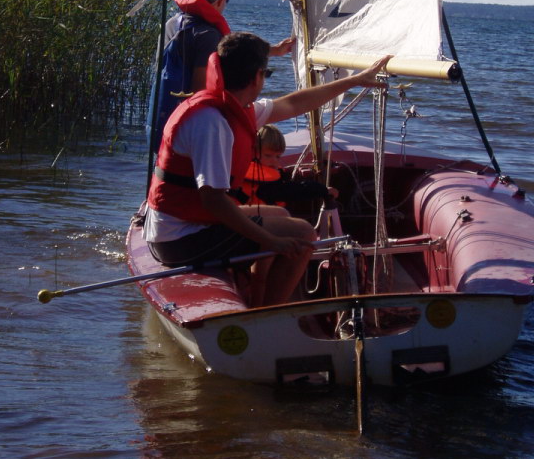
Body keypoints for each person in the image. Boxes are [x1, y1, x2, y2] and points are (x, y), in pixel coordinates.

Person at [145, 31, 391, 307]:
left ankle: (256, 293)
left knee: (281, 214)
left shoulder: (230, 106)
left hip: (188, 223)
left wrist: (355, 80)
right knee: (302, 235)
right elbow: (212, 200)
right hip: (178, 238)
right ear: (257, 76)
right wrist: (272, 241)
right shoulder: (212, 122)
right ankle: (269, 314)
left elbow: (294, 103)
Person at [153, 0, 294, 148]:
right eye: (226, 0)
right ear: (220, 0)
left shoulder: (172, 23)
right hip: (187, 132)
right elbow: (199, 91)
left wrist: (274, 50)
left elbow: (235, 51)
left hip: (161, 120)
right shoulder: (207, 35)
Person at [242, 124, 338, 208]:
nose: (274, 160)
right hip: (254, 218)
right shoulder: (262, 182)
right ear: (254, 153)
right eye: (268, 155)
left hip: (264, 214)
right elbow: (293, 191)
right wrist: (322, 190)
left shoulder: (266, 174)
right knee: (301, 224)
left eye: (278, 156)